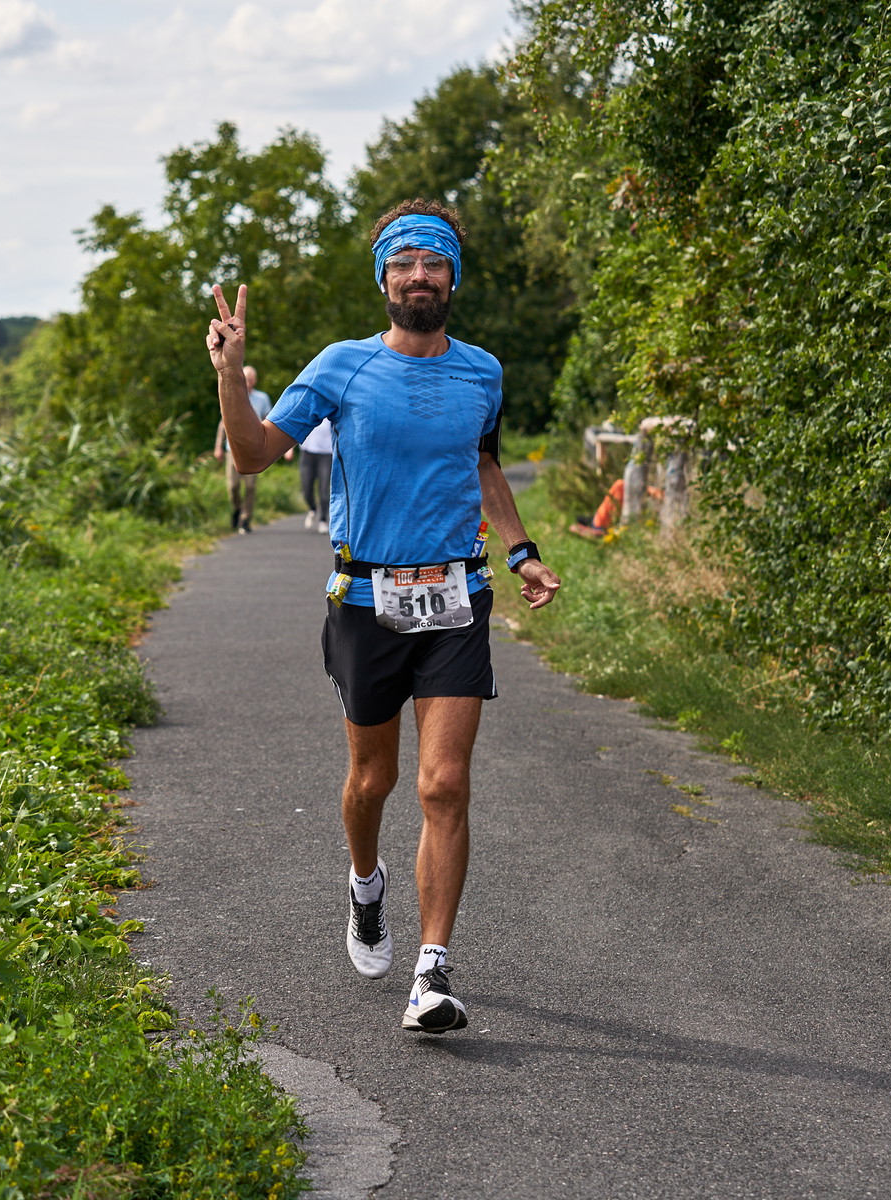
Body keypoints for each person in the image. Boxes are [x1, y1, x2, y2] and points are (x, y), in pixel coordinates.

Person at [204, 198, 562, 1035]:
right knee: (374, 781)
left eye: (433, 262)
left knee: (444, 783)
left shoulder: (483, 372)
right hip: (366, 599)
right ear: (384, 281)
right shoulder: (342, 366)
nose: (418, 275)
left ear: (452, 278)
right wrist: (230, 373)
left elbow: (484, 464)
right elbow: (254, 455)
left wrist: (521, 552)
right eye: (403, 263)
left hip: (456, 598)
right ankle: (366, 885)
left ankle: (432, 973)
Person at [213, 365, 284, 534]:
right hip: (232, 448)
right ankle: (237, 509)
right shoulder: (232, 394)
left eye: (251, 379)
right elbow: (223, 423)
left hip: (253, 448)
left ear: (255, 381)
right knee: (233, 486)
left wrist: (272, 445)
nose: (248, 383)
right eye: (246, 379)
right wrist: (218, 447)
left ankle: (246, 519)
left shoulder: (262, 398)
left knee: (250, 487)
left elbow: (269, 420)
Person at [298, 416, 333, 532]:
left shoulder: (331, 412)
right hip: (307, 453)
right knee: (306, 489)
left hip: (326, 454)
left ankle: (323, 519)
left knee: (324, 489)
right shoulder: (308, 409)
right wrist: (289, 449)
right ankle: (313, 508)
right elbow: (296, 428)